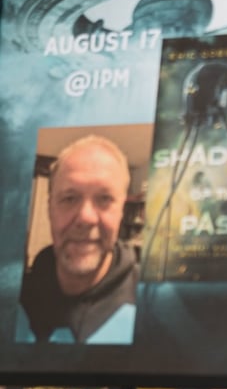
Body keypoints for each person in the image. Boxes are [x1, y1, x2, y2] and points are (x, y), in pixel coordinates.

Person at [16, 134, 138, 344]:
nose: (86, 218)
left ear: (121, 212)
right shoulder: (15, 297)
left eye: (104, 199)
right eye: (69, 198)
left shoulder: (159, 309)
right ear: (49, 209)